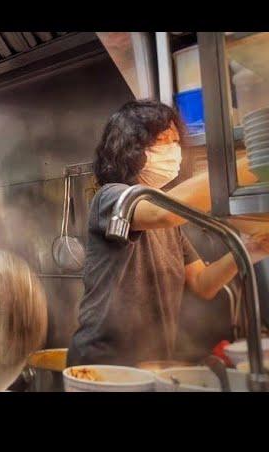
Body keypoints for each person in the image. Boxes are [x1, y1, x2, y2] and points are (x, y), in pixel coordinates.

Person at [68, 99, 269, 367]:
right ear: (131, 149)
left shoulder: (171, 228)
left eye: (176, 141)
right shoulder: (111, 198)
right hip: (103, 362)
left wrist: (251, 249)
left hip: (153, 360)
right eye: (163, 140)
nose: (173, 150)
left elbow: (203, 284)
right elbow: (164, 213)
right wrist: (250, 162)